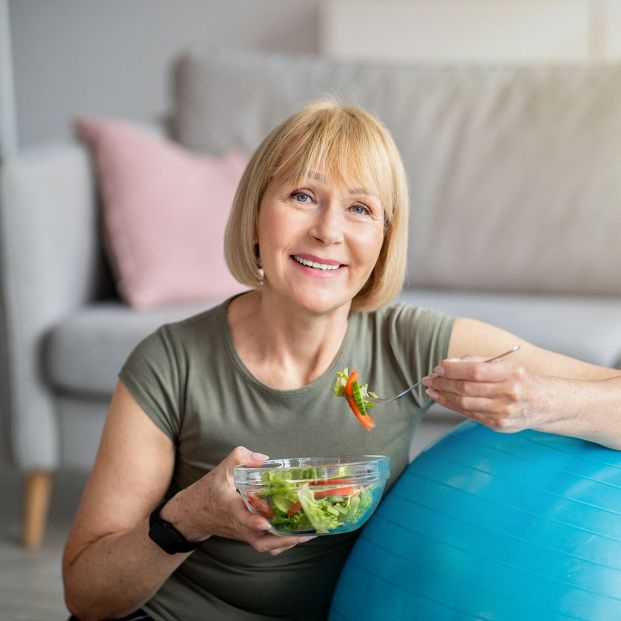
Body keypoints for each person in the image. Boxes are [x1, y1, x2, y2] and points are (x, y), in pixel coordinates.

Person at [62, 100, 621, 621]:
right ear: (256, 213)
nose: (328, 230)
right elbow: (87, 596)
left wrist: (540, 401)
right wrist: (190, 518)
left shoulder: (411, 343)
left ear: (383, 239)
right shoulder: (169, 362)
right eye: (302, 195)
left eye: (359, 208)